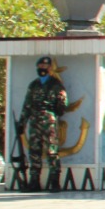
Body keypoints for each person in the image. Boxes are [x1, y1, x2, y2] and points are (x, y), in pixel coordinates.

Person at [19, 55, 67, 192]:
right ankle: (34, 182)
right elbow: (27, 105)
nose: (42, 69)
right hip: (34, 122)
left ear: (50, 68)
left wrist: (55, 113)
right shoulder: (33, 85)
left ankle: (54, 182)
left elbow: (63, 103)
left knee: (52, 152)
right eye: (40, 67)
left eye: (45, 67)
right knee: (34, 151)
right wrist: (22, 122)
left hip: (49, 122)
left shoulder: (56, 85)